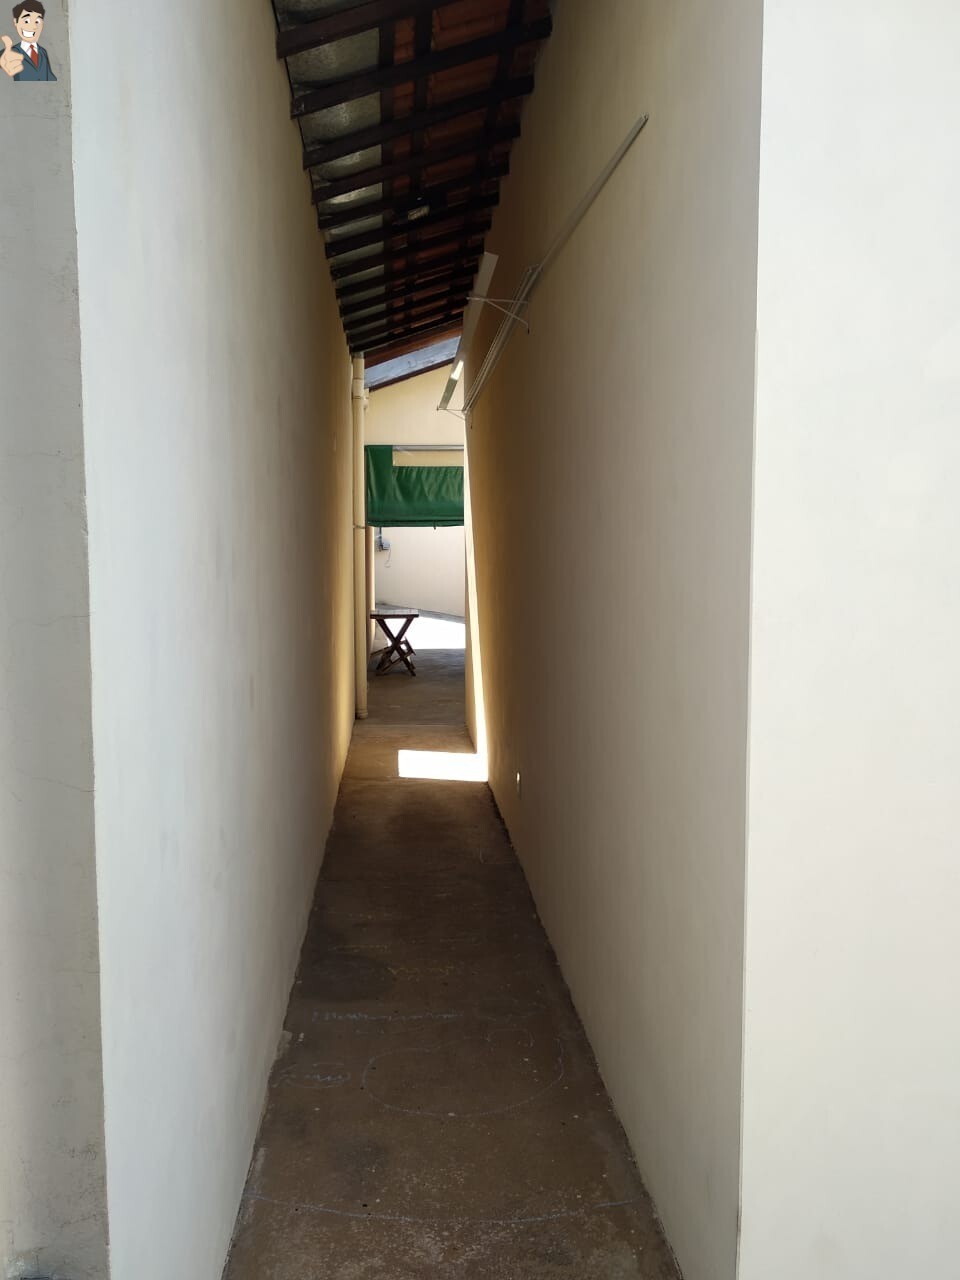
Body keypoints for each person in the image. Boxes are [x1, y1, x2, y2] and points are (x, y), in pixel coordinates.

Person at [0, 2, 56, 82]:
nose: (33, 27)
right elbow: (4, 57)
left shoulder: (43, 52)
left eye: (37, 22)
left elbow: (50, 78)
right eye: (26, 21)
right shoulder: (12, 52)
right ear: (16, 22)